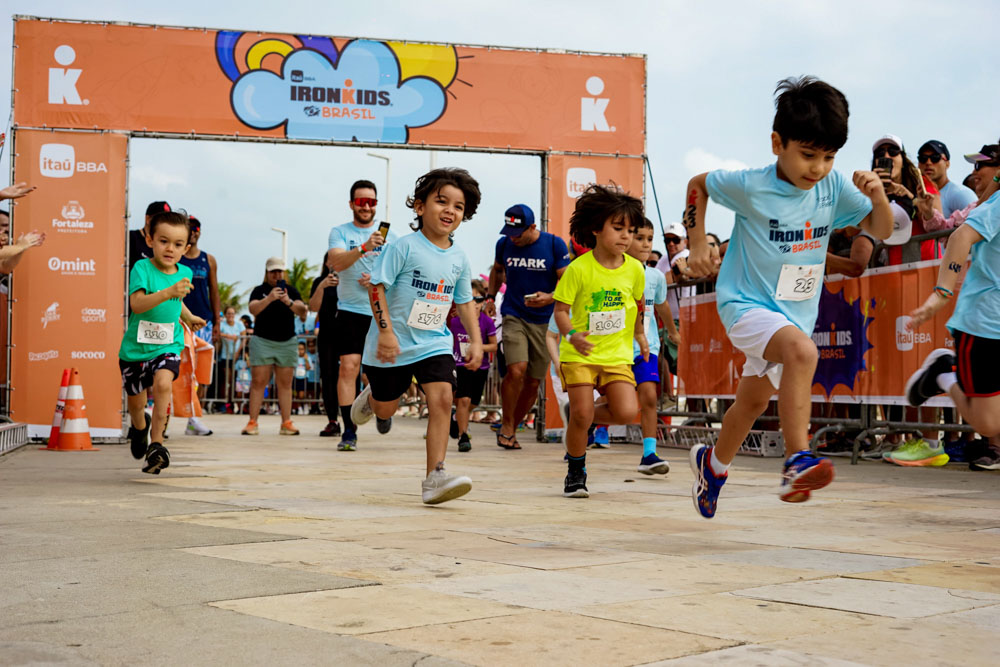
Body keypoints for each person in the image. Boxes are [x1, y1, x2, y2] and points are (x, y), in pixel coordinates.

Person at [683, 76, 891, 519]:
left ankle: (712, 466)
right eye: (808, 154)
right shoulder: (750, 185)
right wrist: (697, 241)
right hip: (745, 304)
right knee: (801, 352)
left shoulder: (832, 188)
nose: (817, 168)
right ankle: (798, 459)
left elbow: (882, 226)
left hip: (794, 312)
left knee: (753, 401)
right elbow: (698, 184)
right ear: (778, 143)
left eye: (829, 157)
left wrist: (877, 197)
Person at [350, 168, 483, 505]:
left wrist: (477, 340)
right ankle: (372, 398)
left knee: (442, 399)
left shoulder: (459, 257)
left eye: (458, 206)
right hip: (391, 344)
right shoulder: (404, 248)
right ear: (420, 207)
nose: (450, 210)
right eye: (441, 201)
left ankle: (435, 476)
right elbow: (376, 288)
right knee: (385, 410)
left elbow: (464, 302)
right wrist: (386, 334)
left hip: (434, 342)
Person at [553, 184, 648, 498]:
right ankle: (575, 471)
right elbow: (561, 311)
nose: (625, 237)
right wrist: (570, 335)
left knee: (625, 412)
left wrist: (640, 336)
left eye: (630, 231)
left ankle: (582, 419)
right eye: (617, 228)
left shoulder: (635, 269)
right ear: (595, 229)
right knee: (583, 414)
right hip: (579, 353)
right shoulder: (578, 269)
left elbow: (638, 305)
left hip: (616, 355)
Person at [906, 182, 1000, 469]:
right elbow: (960, 237)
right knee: (987, 425)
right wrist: (941, 294)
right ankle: (945, 372)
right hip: (986, 323)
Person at [118, 211, 199, 474]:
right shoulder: (142, 268)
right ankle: (140, 428)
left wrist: (189, 316)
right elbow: (137, 304)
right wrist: (169, 292)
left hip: (168, 344)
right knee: (136, 404)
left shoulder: (184, 271)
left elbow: (178, 301)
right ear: (151, 240)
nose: (170, 249)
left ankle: (157, 445)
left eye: (177, 244)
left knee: (164, 384)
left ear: (186, 248)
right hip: (135, 350)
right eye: (164, 241)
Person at [486, 204, 571, 449]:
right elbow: (498, 270)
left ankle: (512, 424)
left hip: (545, 320)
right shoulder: (504, 245)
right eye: (509, 233)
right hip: (513, 313)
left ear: (533, 227)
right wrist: (490, 298)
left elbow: (567, 282)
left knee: (533, 381)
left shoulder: (554, 245)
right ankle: (507, 427)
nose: (513, 238)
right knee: (516, 370)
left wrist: (551, 297)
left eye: (518, 233)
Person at [327, 180, 397, 451]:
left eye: (371, 202)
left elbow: (400, 275)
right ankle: (349, 431)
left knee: (381, 374)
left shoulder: (393, 236)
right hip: (350, 311)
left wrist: (379, 280)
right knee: (348, 368)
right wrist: (365, 247)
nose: (366, 206)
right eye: (361, 202)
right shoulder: (340, 232)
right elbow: (335, 262)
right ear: (351, 204)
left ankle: (382, 410)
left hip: (381, 313)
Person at [626, 217, 679, 475]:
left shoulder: (656, 276)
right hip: (616, 349)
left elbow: (662, 305)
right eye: (639, 238)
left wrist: (672, 331)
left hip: (648, 347)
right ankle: (587, 428)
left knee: (649, 397)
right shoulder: (615, 273)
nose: (646, 244)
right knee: (615, 401)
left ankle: (649, 453)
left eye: (649, 238)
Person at [242, 257, 307, 436]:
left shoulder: (291, 291)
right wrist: (270, 298)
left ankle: (286, 422)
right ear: (267, 273)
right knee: (258, 382)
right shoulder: (259, 290)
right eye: (273, 271)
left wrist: (288, 301)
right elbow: (253, 309)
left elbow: (302, 311)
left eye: (279, 271)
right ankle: (252, 422)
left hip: (286, 341)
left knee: (285, 384)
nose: (276, 275)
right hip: (262, 341)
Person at [871, 135, 942, 265]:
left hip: (924, 265)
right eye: (880, 153)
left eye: (893, 151)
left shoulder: (922, 184)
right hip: (886, 270)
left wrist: (910, 198)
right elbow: (852, 230)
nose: (886, 156)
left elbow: (938, 226)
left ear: (902, 159)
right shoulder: (869, 190)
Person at [178, 215, 220, 434]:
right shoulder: (176, 257)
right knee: (176, 369)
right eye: (190, 228)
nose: (193, 232)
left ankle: (193, 418)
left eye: (196, 229)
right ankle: (163, 415)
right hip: (180, 318)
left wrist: (217, 323)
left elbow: (214, 291)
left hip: (203, 320)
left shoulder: (208, 259)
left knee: (200, 372)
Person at [448, 279, 498, 452]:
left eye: (477, 300)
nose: (473, 304)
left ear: (483, 302)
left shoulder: (487, 322)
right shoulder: (454, 321)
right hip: (460, 365)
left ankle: (456, 418)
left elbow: (494, 346)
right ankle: (463, 436)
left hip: (480, 367)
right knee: (463, 399)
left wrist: (477, 346)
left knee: (473, 402)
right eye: (469, 299)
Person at [917, 140, 976, 217]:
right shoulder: (917, 195)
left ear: (947, 164)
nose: (928, 162)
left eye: (935, 158)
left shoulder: (960, 194)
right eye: (923, 158)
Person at [129, 201, 172, 271]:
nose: (164, 223)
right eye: (160, 218)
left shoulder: (167, 245)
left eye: (168, 219)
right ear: (148, 219)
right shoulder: (131, 238)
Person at [217, 306, 244, 408]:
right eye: (228, 313)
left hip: (236, 355)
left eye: (232, 313)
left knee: (234, 380)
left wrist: (238, 351)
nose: (230, 315)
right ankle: (224, 402)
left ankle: (231, 402)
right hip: (225, 355)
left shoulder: (239, 324)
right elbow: (218, 333)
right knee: (226, 379)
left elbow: (243, 338)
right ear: (225, 314)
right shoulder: (222, 324)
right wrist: (227, 336)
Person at [293, 341, 312, 414]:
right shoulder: (295, 358)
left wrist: (306, 359)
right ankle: (299, 407)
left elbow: (308, 367)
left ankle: (305, 405)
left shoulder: (307, 357)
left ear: (305, 349)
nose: (300, 351)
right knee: (296, 394)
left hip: (304, 378)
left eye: (302, 349)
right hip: (296, 377)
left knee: (302, 394)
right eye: (298, 349)